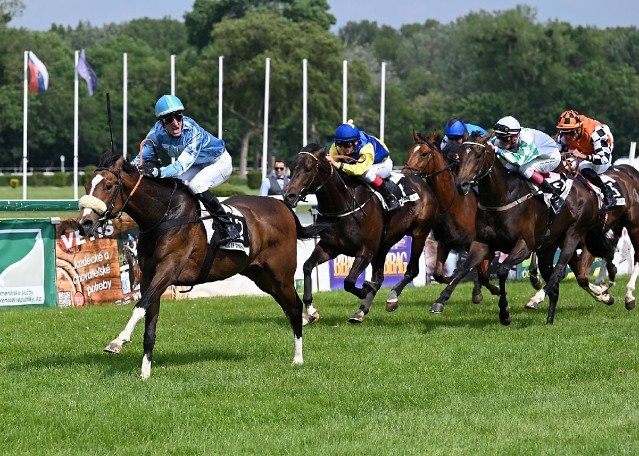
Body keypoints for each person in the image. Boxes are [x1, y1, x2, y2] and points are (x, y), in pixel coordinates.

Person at [132, 94, 240, 242]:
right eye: (169, 120)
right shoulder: (156, 132)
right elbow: (141, 159)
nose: (175, 123)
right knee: (174, 187)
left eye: (178, 117)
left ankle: (228, 226)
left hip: (219, 162)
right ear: (161, 122)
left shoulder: (192, 131)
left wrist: (156, 172)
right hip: (197, 164)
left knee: (196, 186)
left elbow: (180, 167)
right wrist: (126, 170)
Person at [490, 116, 563, 214]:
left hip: (550, 157)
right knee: (506, 170)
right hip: (533, 156)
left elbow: (518, 161)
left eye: (504, 138)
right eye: (499, 137)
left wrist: (498, 150)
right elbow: (487, 145)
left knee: (524, 169)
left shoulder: (526, 138)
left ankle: (553, 195)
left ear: (515, 137)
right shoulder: (506, 136)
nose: (500, 141)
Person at [327, 119, 401, 211]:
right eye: (340, 144)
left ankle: (390, 197)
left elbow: (359, 170)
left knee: (366, 174)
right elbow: (330, 164)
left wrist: (337, 164)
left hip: (382, 164)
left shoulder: (366, 148)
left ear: (356, 142)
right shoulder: (336, 146)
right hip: (358, 164)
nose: (343, 148)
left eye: (347, 145)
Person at [556, 109, 615, 209]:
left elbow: (604, 158)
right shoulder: (564, 134)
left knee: (584, 167)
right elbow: (558, 154)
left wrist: (583, 156)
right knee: (565, 165)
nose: (567, 137)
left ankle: (608, 194)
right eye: (564, 132)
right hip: (583, 149)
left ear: (579, 128)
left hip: (602, 152)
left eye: (570, 133)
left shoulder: (596, 132)